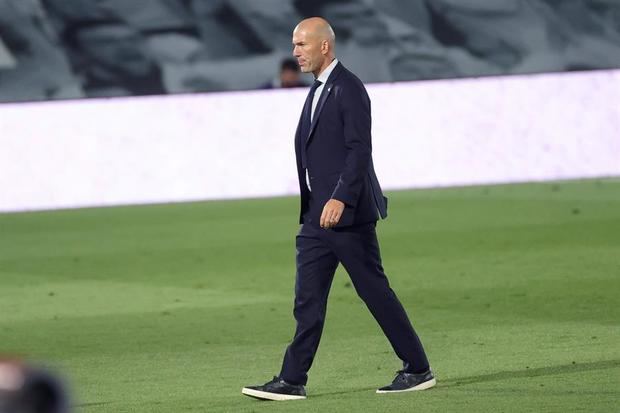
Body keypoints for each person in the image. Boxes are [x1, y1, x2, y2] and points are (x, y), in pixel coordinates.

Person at [242, 17, 435, 401]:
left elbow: (359, 150)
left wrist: (340, 196)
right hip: (316, 216)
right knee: (307, 300)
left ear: (324, 46)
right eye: (294, 44)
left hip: (346, 216)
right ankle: (292, 379)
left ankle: (417, 368)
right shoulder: (317, 89)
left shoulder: (349, 88)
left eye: (301, 44)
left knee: (374, 292)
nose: (295, 51)